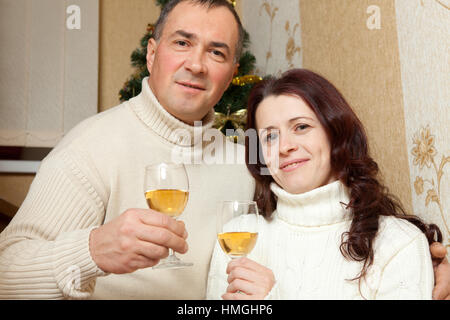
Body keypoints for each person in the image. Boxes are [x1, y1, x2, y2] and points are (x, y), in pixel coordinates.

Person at [0, 0, 448, 299]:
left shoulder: (246, 160)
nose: (196, 63)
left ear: (232, 71)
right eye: (182, 43)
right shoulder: (90, 146)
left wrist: (412, 257)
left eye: (216, 52)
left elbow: (315, 224)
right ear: (152, 54)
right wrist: (92, 251)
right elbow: (5, 273)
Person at [206, 68, 448, 300]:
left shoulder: (398, 243)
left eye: (301, 127)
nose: (284, 146)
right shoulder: (237, 237)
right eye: (270, 136)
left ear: (336, 133)